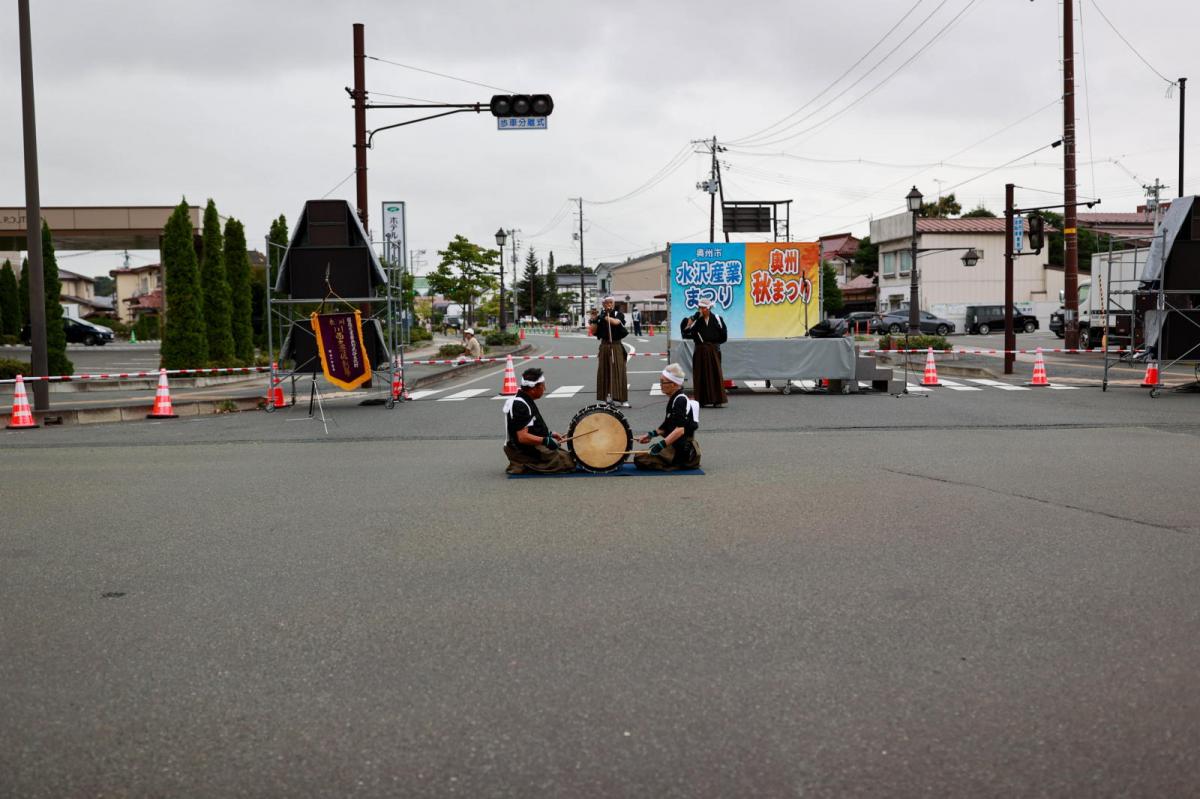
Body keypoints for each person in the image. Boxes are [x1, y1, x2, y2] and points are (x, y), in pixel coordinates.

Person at [503, 367, 575, 475]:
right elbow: (522, 437)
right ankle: (521, 464)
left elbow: (532, 427)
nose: (544, 389)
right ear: (533, 389)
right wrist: (545, 440)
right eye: (542, 386)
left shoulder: (526, 399)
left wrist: (550, 434)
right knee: (568, 463)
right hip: (521, 451)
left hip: (530, 446)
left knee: (569, 456)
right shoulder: (520, 405)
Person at [634, 363, 701, 471]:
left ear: (674, 384)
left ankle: (678, 463)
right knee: (640, 456)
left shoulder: (680, 400)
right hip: (677, 445)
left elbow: (680, 430)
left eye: (662, 382)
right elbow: (666, 426)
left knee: (639, 459)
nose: (660, 384)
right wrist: (649, 435)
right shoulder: (675, 398)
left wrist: (660, 445)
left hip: (682, 449)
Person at [679, 298, 728, 407]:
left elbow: (724, 336)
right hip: (700, 350)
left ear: (709, 308)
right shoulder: (696, 320)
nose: (701, 310)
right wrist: (691, 321)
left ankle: (717, 400)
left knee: (715, 374)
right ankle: (702, 400)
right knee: (700, 375)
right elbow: (685, 333)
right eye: (700, 307)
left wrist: (714, 345)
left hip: (713, 350)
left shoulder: (717, 319)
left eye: (703, 308)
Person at [590, 295, 629, 406]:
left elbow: (616, 322)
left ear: (613, 303)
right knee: (604, 371)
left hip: (616, 345)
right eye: (606, 303)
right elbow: (593, 331)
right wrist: (594, 319)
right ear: (603, 304)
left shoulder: (618, 314)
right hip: (604, 345)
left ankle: (623, 399)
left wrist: (604, 317)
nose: (608, 304)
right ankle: (605, 398)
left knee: (619, 371)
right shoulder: (600, 316)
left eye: (610, 302)